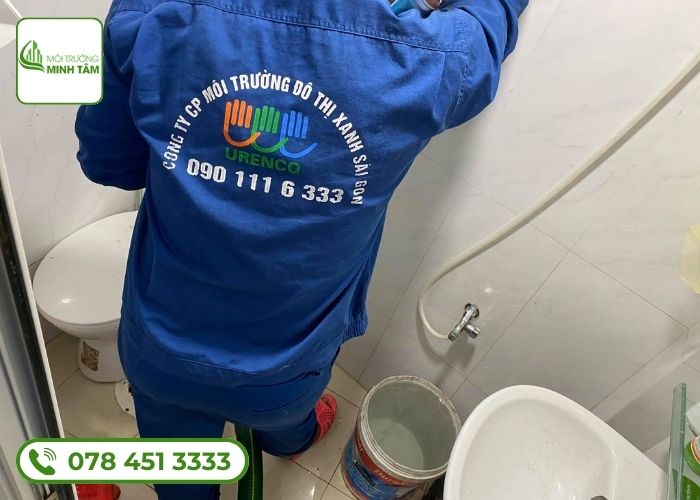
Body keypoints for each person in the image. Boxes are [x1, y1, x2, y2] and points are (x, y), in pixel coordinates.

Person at [75, 0, 527, 498]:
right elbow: (490, 25)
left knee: (179, 470)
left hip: (162, 347)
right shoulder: (430, 57)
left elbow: (107, 162)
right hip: (287, 364)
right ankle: (292, 439)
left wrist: (207, 169)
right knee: (287, 418)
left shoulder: (150, 13)